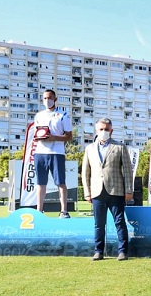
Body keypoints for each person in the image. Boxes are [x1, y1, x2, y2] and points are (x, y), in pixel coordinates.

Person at [82, 118, 134, 261]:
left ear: (111, 131)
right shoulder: (89, 149)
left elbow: (128, 171)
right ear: (96, 130)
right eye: (101, 129)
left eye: (106, 129)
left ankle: (123, 252)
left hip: (116, 190)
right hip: (97, 192)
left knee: (120, 222)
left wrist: (129, 190)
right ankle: (98, 251)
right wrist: (87, 192)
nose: (104, 132)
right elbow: (85, 172)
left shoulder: (120, 147)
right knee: (99, 224)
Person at [33, 89, 73, 217]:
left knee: (60, 182)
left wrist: (54, 138)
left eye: (49, 98)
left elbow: (69, 136)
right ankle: (39, 211)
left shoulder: (63, 115)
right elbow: (36, 133)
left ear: (55, 99)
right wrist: (39, 137)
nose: (47, 101)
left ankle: (64, 211)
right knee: (40, 183)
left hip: (57, 153)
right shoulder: (38, 115)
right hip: (40, 152)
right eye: (44, 98)